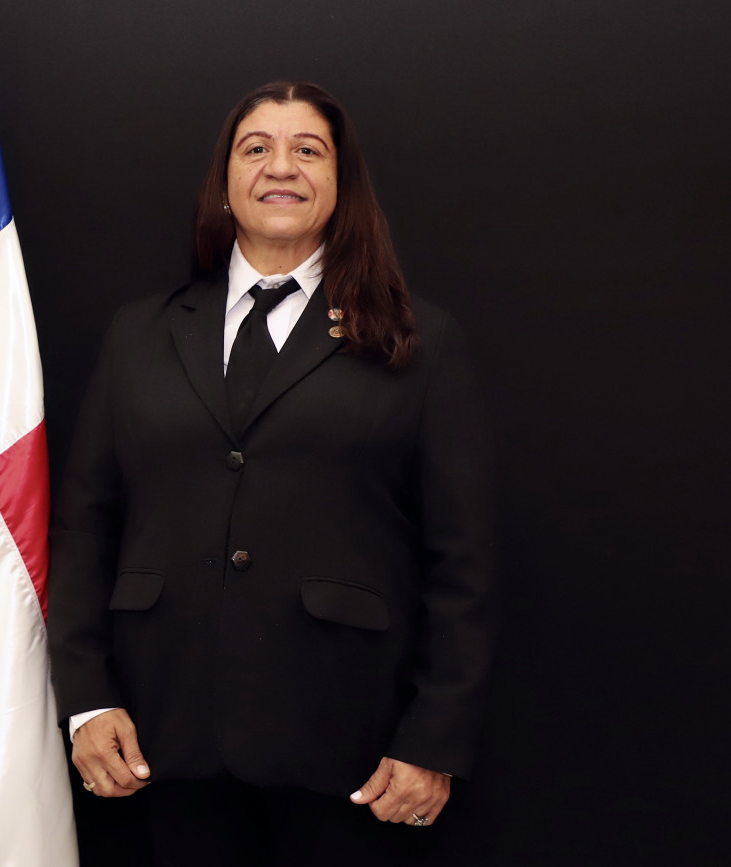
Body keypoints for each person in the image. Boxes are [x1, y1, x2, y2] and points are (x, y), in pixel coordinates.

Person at [48, 80, 496, 864]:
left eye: (307, 149)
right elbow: (85, 528)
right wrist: (85, 698)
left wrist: (435, 735)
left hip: (350, 748)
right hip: (160, 737)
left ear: (341, 182)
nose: (280, 166)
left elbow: (464, 560)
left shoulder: (418, 340)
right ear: (224, 182)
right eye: (256, 148)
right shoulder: (139, 334)